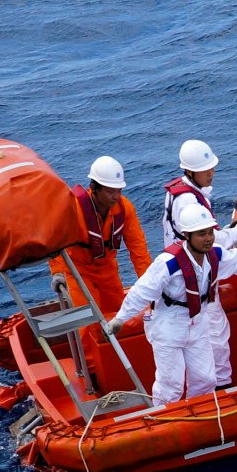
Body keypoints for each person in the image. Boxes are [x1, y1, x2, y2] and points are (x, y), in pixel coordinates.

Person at [106, 207, 237, 406]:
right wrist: (120, 319)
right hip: (169, 326)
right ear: (187, 235)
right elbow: (142, 292)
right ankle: (163, 422)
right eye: (202, 234)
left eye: (210, 232)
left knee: (206, 379)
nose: (208, 238)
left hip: (197, 322)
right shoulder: (168, 264)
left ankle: (199, 413)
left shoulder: (215, 255)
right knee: (171, 386)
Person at [161, 140, 237, 388]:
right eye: (206, 170)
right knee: (215, 335)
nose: (211, 173)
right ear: (191, 172)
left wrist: (226, 232)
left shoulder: (182, 193)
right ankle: (222, 389)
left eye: (212, 168)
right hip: (195, 279)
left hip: (185, 274)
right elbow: (207, 242)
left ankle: (214, 388)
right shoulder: (189, 202)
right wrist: (236, 234)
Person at [50, 155, 150, 388]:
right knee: (86, 325)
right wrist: (57, 273)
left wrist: (150, 283)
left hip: (107, 270)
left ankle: (121, 363)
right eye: (110, 191)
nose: (116, 196)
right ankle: (95, 376)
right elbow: (55, 242)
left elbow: (138, 249)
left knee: (120, 315)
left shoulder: (125, 209)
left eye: (119, 190)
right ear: (94, 188)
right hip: (77, 272)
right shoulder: (73, 209)